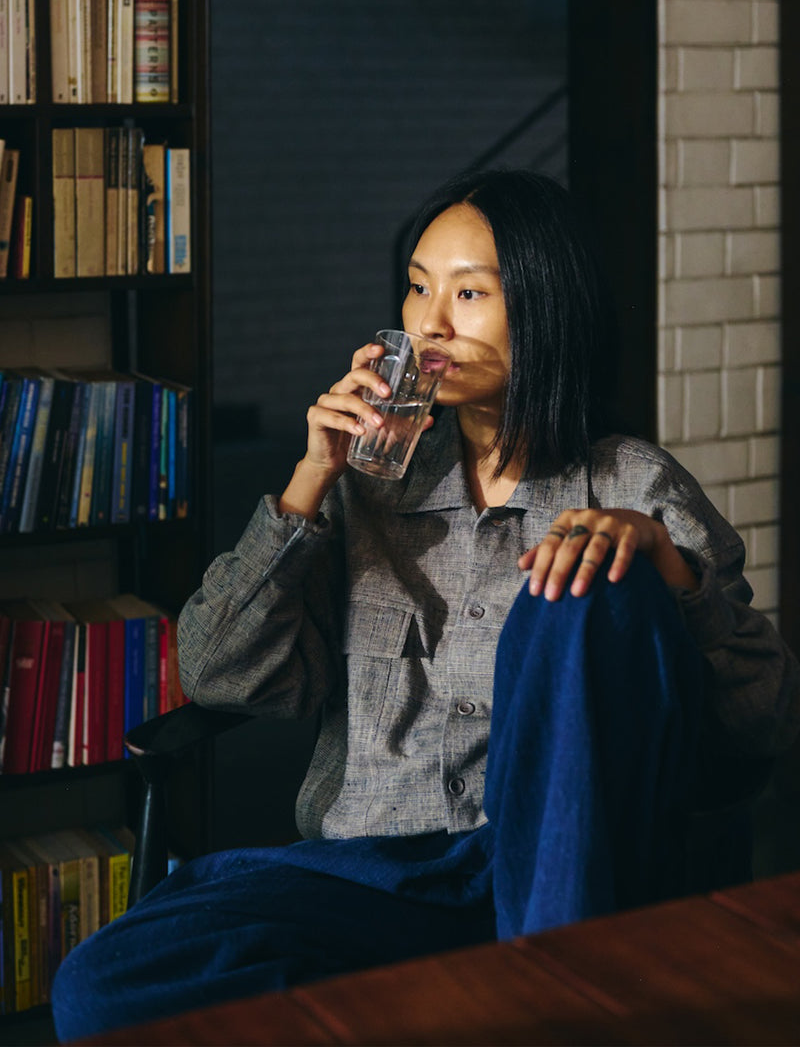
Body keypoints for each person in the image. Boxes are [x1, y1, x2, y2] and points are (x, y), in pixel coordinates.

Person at [51, 169, 800, 1040]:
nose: (429, 323)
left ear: (546, 309)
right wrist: (309, 480)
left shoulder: (637, 484)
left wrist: (669, 568)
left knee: (594, 573)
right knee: (108, 985)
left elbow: (766, 724)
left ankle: (547, 983)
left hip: (554, 874)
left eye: (469, 293)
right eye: (416, 287)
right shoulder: (369, 486)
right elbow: (218, 672)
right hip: (372, 880)